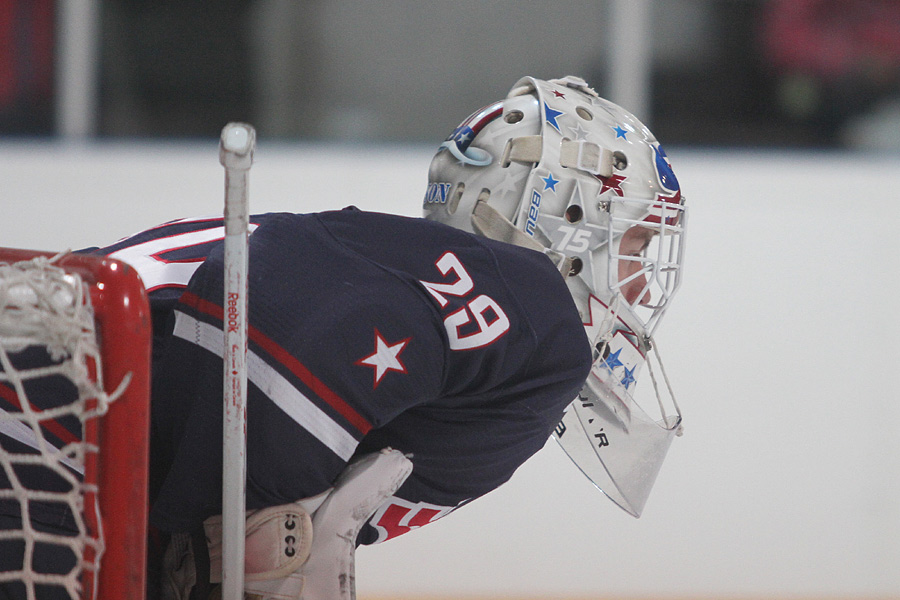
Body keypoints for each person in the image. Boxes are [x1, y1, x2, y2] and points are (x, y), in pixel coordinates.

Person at [1, 75, 687, 600]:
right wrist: (267, 548)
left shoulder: (407, 296)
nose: (643, 286)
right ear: (563, 221)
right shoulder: (537, 317)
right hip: (33, 445)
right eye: (635, 245)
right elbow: (276, 310)